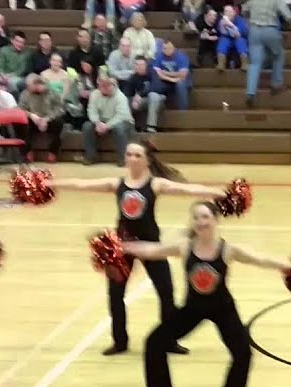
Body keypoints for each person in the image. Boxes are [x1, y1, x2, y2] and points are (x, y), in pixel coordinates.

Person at [47, 142, 232, 357]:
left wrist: (218, 193)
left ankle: (169, 339)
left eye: (137, 155)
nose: (132, 159)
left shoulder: (155, 184)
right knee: (115, 295)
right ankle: (120, 342)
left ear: (146, 160)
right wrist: (51, 183)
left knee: (166, 292)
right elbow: (82, 184)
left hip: (151, 244)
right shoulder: (117, 184)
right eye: (129, 155)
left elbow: (187, 189)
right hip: (121, 246)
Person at [127, 201, 291, 387]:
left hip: (222, 308)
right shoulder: (185, 246)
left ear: (215, 219)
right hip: (192, 309)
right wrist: (123, 246)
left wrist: (289, 267)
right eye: (196, 217)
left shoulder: (228, 249)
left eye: (205, 217)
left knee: (243, 353)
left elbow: (260, 259)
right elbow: (153, 250)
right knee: (154, 343)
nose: (200, 221)